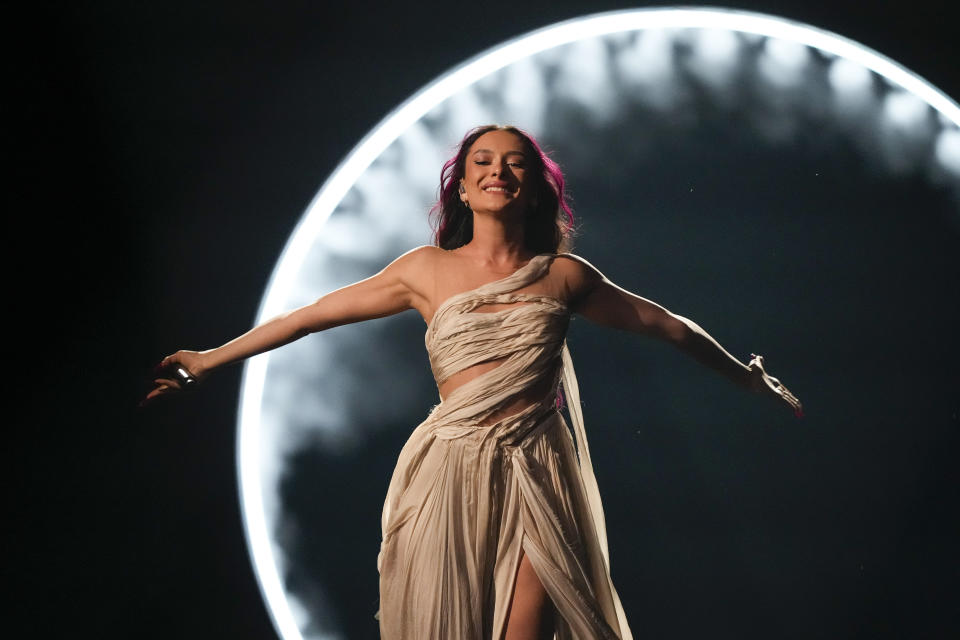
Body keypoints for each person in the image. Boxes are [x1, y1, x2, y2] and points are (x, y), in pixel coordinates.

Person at [145, 124, 802, 640]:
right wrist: (208, 359)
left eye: (514, 161)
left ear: (534, 188)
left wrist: (745, 378)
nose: (497, 171)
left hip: (540, 470)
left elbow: (669, 327)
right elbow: (307, 318)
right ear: (461, 187)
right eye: (482, 161)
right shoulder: (425, 269)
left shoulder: (563, 276)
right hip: (451, 466)